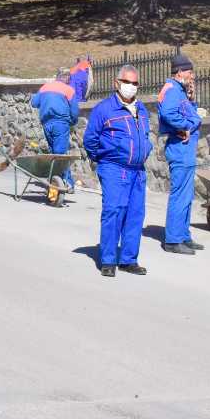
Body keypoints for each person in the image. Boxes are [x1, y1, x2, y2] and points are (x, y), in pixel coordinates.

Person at [82, 64, 152, 277]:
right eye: (127, 82)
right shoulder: (104, 109)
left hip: (137, 171)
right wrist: (102, 159)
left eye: (134, 83)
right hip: (114, 168)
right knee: (114, 211)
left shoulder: (141, 110)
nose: (131, 86)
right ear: (117, 83)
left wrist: (145, 149)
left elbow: (145, 136)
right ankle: (109, 260)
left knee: (135, 215)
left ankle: (129, 259)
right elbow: (90, 139)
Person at [157, 52, 207, 255]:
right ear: (180, 72)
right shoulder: (171, 90)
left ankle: (183, 235)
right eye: (190, 72)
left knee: (187, 195)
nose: (192, 76)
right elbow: (168, 114)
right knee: (179, 195)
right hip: (179, 148)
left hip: (186, 149)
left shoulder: (179, 90)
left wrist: (192, 101)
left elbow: (185, 112)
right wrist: (187, 125)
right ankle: (173, 240)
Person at [29, 68, 81, 203]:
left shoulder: (46, 87)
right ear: (67, 78)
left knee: (55, 154)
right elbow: (74, 111)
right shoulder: (68, 90)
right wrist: (73, 122)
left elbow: (34, 102)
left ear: (57, 76)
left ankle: (57, 183)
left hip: (47, 124)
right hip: (60, 124)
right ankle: (67, 183)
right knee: (60, 155)